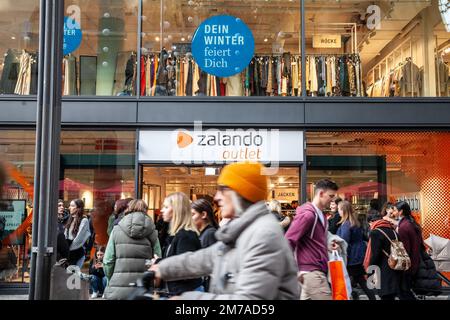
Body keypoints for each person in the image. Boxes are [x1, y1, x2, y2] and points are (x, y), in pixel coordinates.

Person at [149, 162, 299, 300]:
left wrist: (187, 299)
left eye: (222, 189)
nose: (216, 197)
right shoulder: (241, 232)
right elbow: (205, 258)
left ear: (239, 193)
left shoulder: (263, 234)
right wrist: (163, 269)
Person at [285, 178, 339, 300]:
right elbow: (289, 240)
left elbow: (312, 241)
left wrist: (327, 246)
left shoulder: (321, 215)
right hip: (312, 272)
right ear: (320, 194)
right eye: (330, 196)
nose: (332, 200)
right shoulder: (309, 215)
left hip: (313, 271)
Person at [103, 199, 161, 300]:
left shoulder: (116, 230)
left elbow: (108, 260)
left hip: (118, 288)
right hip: (143, 289)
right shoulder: (152, 232)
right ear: (145, 211)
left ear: (128, 209)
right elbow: (157, 259)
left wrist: (111, 277)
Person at [158, 192, 203, 296]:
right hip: (178, 293)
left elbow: (185, 270)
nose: (162, 210)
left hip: (184, 294)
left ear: (176, 210)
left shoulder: (186, 236)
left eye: (166, 207)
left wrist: (160, 265)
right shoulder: (177, 235)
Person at [336, 201, 376, 300]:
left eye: (339, 209)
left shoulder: (346, 224)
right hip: (358, 255)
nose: (338, 211)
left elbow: (344, 241)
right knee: (360, 279)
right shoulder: (355, 222)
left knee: (346, 280)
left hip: (351, 256)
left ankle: (352, 296)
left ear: (343, 210)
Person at [363, 217, 402, 300]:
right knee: (390, 296)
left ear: (373, 222)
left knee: (385, 296)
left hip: (383, 270)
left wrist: (370, 270)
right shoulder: (393, 231)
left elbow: (375, 254)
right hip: (395, 267)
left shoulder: (375, 233)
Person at [394, 201, 421, 300]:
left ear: (400, 212)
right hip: (413, 262)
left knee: (403, 292)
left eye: (395, 210)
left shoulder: (403, 227)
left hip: (407, 266)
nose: (393, 212)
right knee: (405, 291)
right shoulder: (410, 223)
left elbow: (405, 249)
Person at [64, 199, 91, 268]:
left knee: (73, 277)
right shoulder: (70, 219)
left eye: (72, 206)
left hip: (77, 254)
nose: (69, 207)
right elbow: (65, 236)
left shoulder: (84, 220)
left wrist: (67, 250)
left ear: (78, 208)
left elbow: (79, 239)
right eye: (70, 205)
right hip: (69, 254)